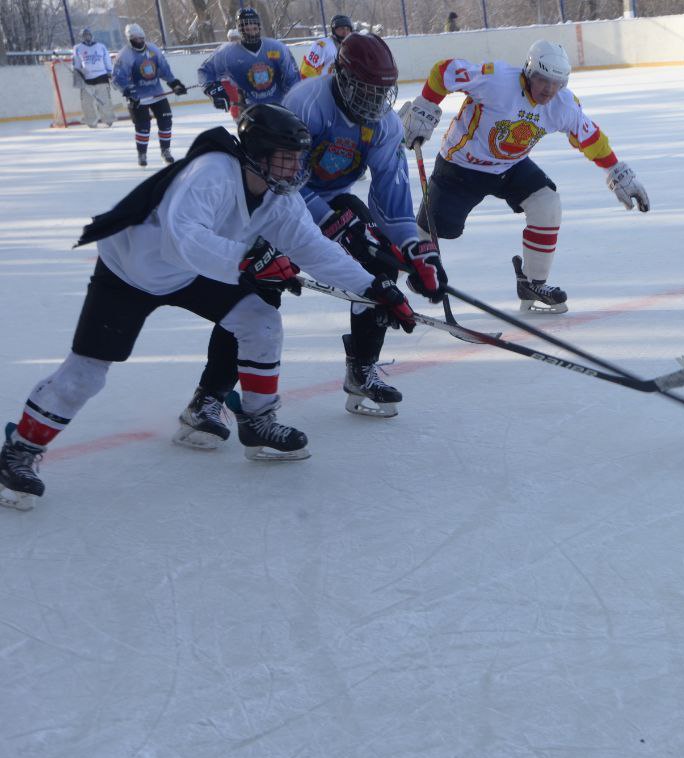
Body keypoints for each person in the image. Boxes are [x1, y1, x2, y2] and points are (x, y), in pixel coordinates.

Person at [0, 104, 421, 511]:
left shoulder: (279, 197)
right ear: (257, 155)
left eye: (299, 158)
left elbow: (313, 249)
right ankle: (19, 451)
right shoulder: (212, 174)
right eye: (286, 158)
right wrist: (247, 258)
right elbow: (181, 237)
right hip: (131, 271)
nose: (296, 169)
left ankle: (257, 422)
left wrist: (375, 288)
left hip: (194, 272)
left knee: (261, 320)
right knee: (85, 376)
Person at [183, 33, 444, 424]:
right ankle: (208, 396)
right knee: (259, 292)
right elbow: (282, 176)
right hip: (277, 198)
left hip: (331, 197)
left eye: (382, 93)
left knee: (380, 268)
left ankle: (362, 369)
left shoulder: (385, 124)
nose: (375, 103)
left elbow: (391, 196)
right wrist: (328, 219)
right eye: (366, 91)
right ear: (341, 77)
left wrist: (410, 248)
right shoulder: (306, 103)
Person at [398, 39, 649, 314]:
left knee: (546, 202)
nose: (549, 90)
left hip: (509, 167)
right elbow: (444, 70)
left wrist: (617, 171)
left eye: (557, 83)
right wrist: (425, 105)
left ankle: (532, 282)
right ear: (529, 71)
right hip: (461, 167)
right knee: (431, 231)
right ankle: (386, 279)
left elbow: (590, 137)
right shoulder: (498, 82)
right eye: (543, 80)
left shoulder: (562, 104)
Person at [198, 7, 300, 117]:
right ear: (240, 29)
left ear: (259, 27)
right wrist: (212, 88)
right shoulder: (227, 53)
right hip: (248, 112)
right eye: (247, 28)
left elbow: (293, 78)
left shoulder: (277, 48)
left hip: (281, 109)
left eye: (254, 28)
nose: (251, 31)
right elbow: (204, 71)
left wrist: (294, 100)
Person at [112, 23, 187, 167]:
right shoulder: (124, 55)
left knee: (166, 121)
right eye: (136, 39)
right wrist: (127, 91)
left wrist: (175, 83)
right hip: (137, 96)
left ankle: (165, 151)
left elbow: (164, 70)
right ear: (130, 39)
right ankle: (142, 153)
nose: (140, 41)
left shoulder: (153, 50)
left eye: (142, 38)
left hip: (156, 93)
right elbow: (117, 78)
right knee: (143, 126)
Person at [72, 27, 114, 128]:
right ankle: (91, 121)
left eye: (88, 35)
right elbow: (76, 64)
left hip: (102, 77)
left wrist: (110, 72)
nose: (87, 37)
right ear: (81, 37)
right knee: (87, 102)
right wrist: (77, 74)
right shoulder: (77, 48)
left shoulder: (101, 47)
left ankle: (108, 119)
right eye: (85, 35)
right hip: (87, 79)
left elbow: (107, 60)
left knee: (104, 100)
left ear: (92, 35)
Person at [299, 14, 354, 78]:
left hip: (340, 86)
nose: (345, 32)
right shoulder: (322, 45)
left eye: (348, 29)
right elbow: (307, 71)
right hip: (324, 85)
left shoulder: (349, 47)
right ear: (334, 29)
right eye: (342, 29)